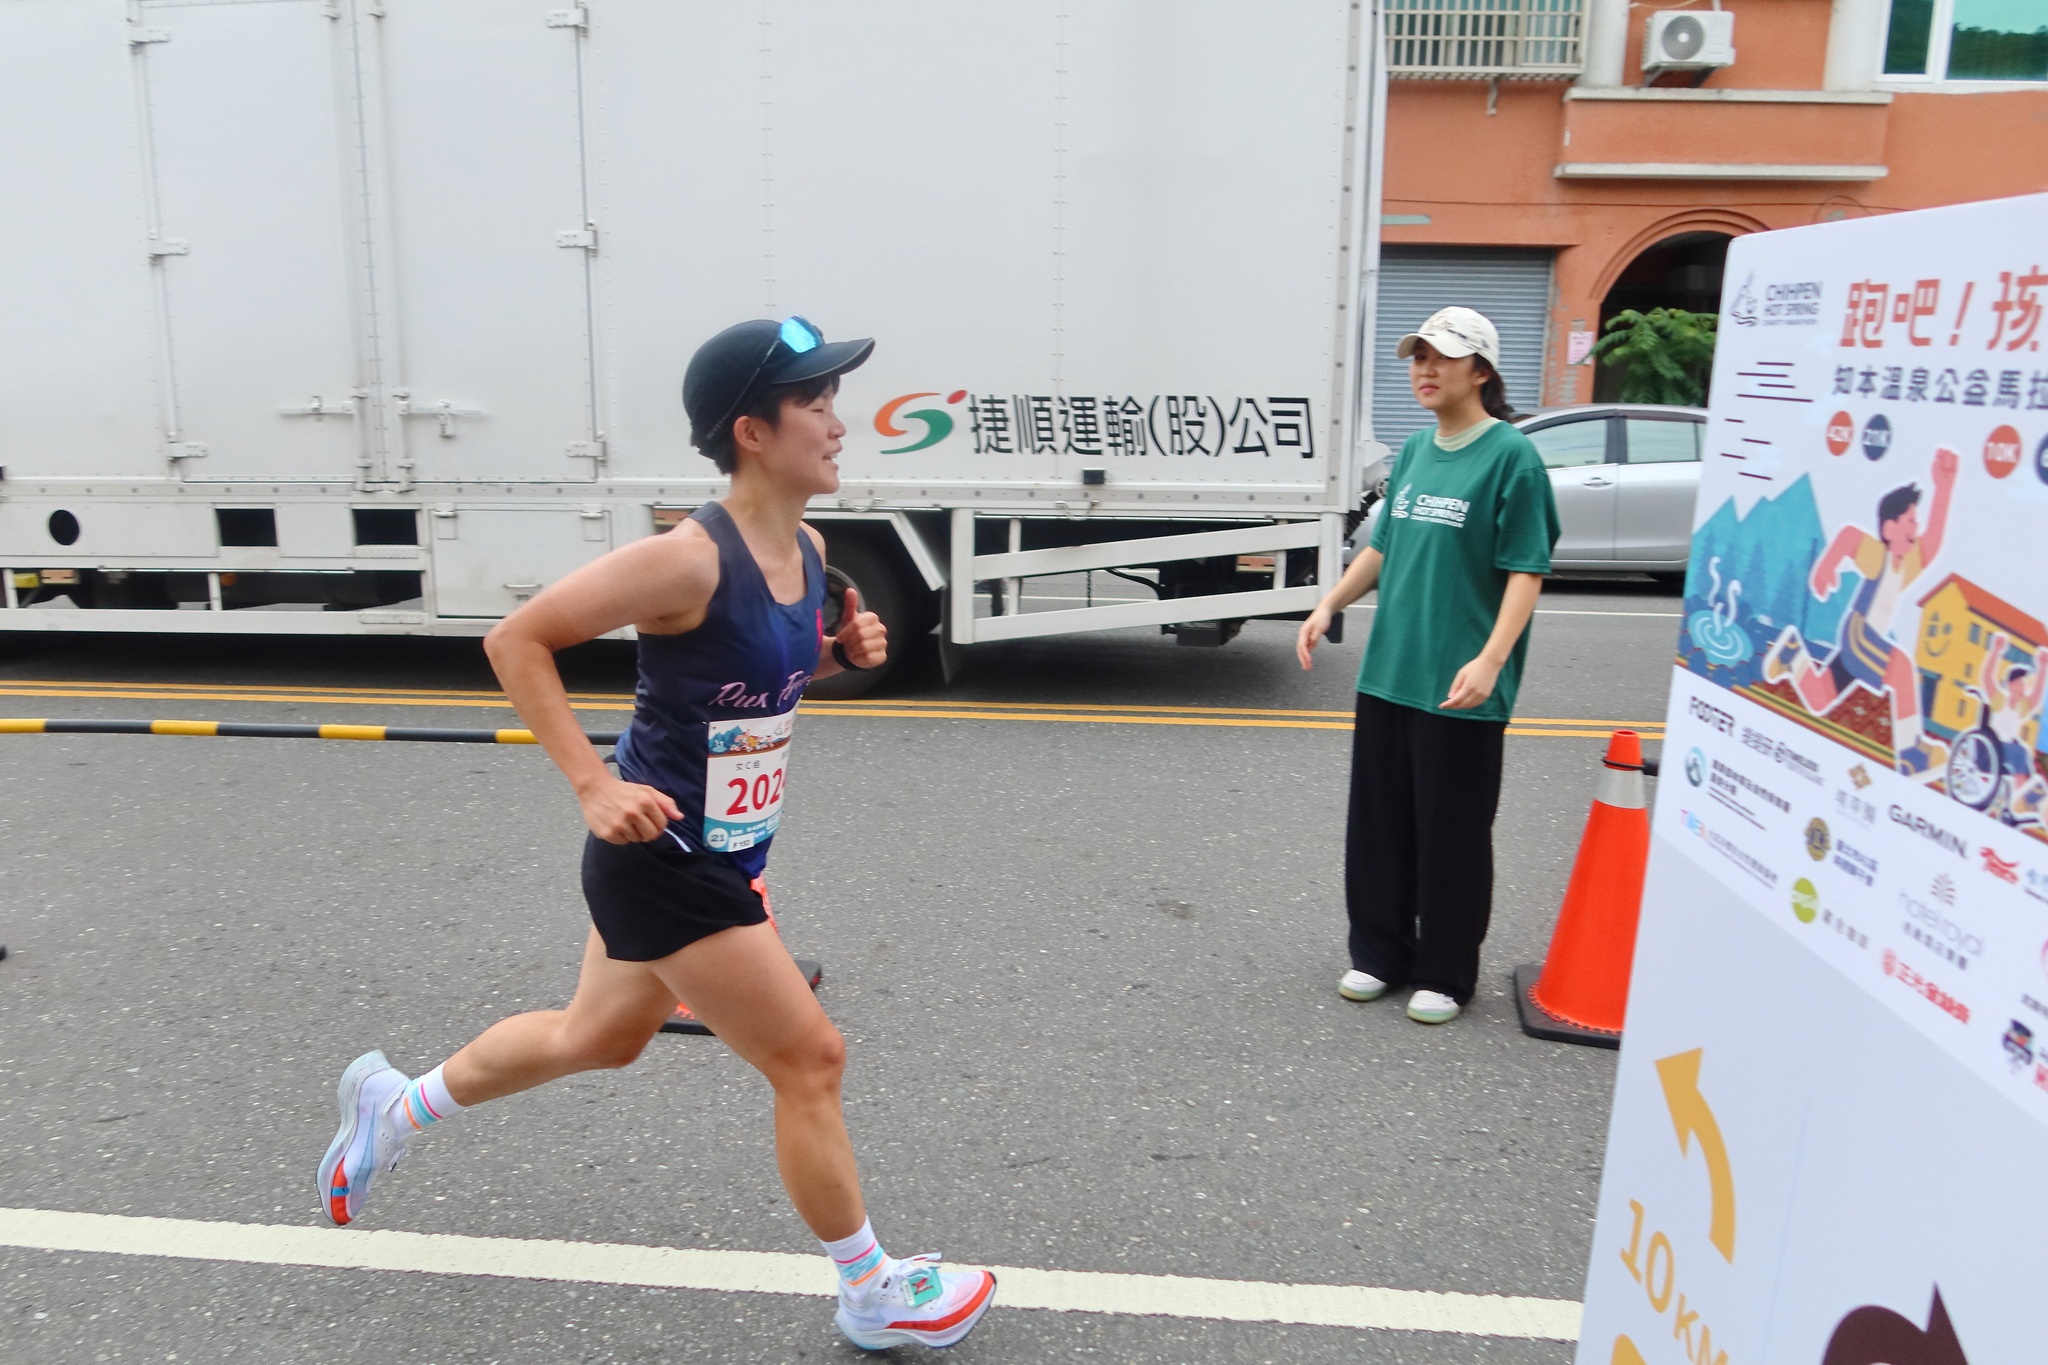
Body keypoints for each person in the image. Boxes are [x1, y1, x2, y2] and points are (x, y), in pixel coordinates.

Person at [317, 316, 997, 1352]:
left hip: (720, 849)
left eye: (833, 400)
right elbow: (517, 639)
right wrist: (591, 783)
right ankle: (870, 1290)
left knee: (596, 1037)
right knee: (809, 1058)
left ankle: (394, 1106)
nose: (837, 422)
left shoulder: (808, 550)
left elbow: (753, 684)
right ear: (751, 432)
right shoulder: (686, 560)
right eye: (813, 403)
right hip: (664, 856)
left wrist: (839, 655)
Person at [1296, 307, 1559, 1025]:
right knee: (1379, 824)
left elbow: (1526, 569)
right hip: (1392, 670)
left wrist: (1491, 660)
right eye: (1418, 357)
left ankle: (1445, 970)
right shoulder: (1415, 450)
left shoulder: (1511, 457)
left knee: (1452, 832)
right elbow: (1385, 547)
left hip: (1460, 681)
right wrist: (1329, 602)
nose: (1426, 369)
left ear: (1481, 370)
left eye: (1442, 357)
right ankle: (1380, 953)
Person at [1761, 448, 1958, 779]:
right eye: (1911, 520)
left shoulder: (1906, 565)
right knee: (1902, 668)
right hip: (1859, 634)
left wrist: (1944, 487)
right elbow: (1850, 537)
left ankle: (1793, 657)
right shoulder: (1881, 557)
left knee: (1820, 698)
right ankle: (1912, 754)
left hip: (1863, 640)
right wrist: (1826, 568)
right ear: (1890, 528)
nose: (1917, 526)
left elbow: (1933, 542)